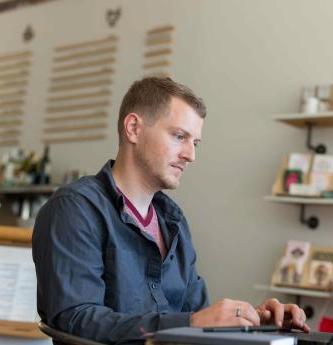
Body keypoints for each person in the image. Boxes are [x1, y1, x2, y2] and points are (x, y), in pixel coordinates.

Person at [32, 77, 309, 344]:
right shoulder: (74, 209)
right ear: (133, 128)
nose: (191, 155)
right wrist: (193, 323)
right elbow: (76, 318)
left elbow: (198, 315)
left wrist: (255, 323)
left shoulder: (172, 220)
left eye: (195, 143)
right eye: (179, 136)